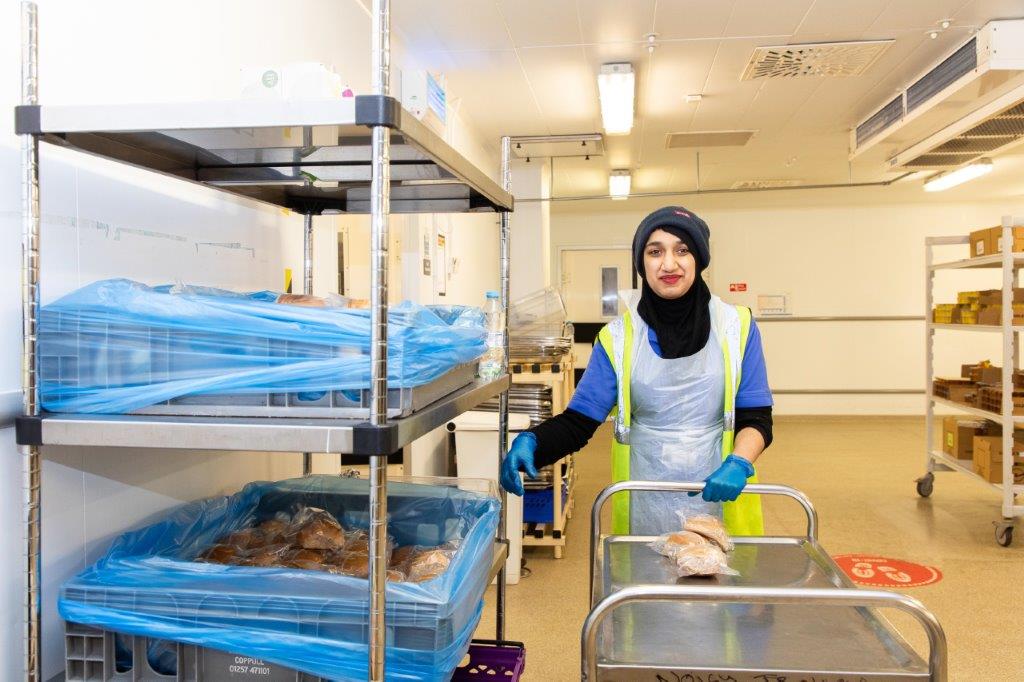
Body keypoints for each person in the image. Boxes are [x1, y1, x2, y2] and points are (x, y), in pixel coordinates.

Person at [499, 206, 773, 536]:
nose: (669, 264)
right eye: (655, 251)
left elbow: (755, 416)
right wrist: (533, 441)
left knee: (717, 582)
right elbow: (579, 422)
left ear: (698, 259)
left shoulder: (737, 327)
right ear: (641, 263)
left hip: (721, 494)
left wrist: (740, 462)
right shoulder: (617, 338)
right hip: (645, 496)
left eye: (682, 250)